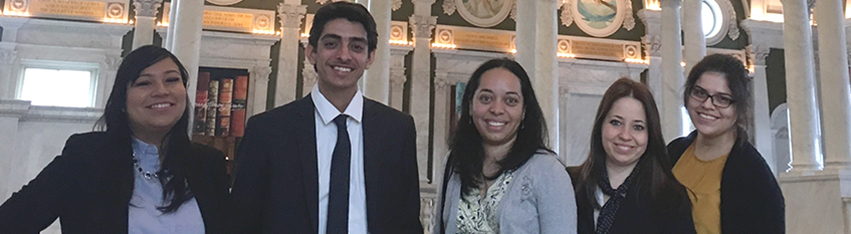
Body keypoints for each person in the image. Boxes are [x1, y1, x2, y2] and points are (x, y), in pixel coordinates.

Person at [230, 2, 422, 233]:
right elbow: (242, 220)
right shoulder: (268, 131)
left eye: (357, 47)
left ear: (370, 58)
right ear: (311, 52)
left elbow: (407, 221)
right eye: (332, 44)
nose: (343, 55)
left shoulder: (397, 130)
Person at [0, 45, 231, 233]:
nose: (161, 90)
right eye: (144, 83)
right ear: (122, 101)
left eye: (171, 80)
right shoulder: (86, 158)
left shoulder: (208, 164)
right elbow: (12, 221)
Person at [432, 58, 576, 234]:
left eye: (510, 101)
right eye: (486, 98)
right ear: (470, 105)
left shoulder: (548, 171)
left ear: (524, 111)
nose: (497, 109)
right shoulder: (455, 162)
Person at [668, 54, 784, 233]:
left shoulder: (755, 177)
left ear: (738, 108)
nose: (707, 105)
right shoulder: (673, 152)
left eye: (722, 99)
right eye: (699, 92)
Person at [570, 78, 695, 234]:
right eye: (616, 123)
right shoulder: (569, 184)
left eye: (638, 127)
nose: (625, 135)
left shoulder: (671, 198)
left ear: (650, 134)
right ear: (600, 125)